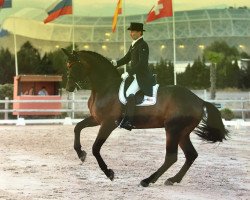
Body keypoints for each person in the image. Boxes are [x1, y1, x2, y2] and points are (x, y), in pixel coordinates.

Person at [111, 22, 155, 131]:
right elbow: (127, 58)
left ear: (140, 32)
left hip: (142, 76)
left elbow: (142, 63)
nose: (131, 33)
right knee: (122, 90)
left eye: (133, 31)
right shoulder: (134, 44)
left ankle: (129, 121)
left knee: (129, 94)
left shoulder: (143, 45)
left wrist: (129, 73)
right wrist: (116, 63)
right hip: (135, 76)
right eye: (131, 31)